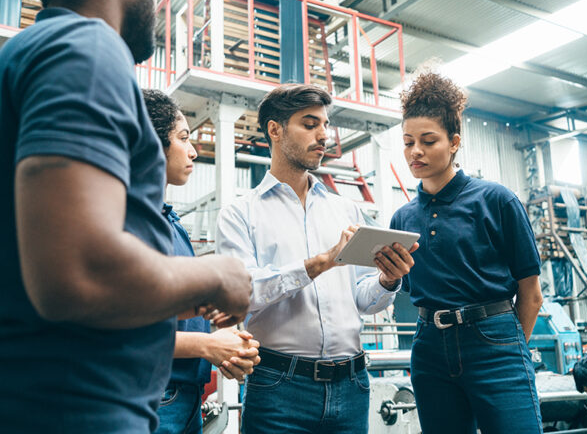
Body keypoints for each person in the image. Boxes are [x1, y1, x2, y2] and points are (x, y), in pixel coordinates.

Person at [0, 0, 252, 432]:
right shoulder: (87, 48)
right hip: (79, 407)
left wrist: (188, 298)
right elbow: (78, 272)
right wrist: (217, 275)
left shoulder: (27, 53)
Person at [216, 83, 417, 433]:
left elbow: (362, 300)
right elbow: (242, 295)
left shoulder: (345, 208)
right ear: (275, 130)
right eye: (310, 125)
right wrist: (319, 263)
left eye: (325, 125)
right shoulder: (239, 214)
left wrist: (387, 281)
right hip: (279, 388)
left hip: (351, 385)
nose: (323, 135)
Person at [390, 70, 544, 434]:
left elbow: (532, 294)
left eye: (429, 141)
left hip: (495, 343)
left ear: (454, 141)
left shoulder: (496, 200)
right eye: (408, 141)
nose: (416, 151)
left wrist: (508, 349)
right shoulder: (402, 218)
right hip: (429, 349)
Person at [143, 89, 261, 434]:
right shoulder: (130, 224)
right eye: (182, 138)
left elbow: (162, 307)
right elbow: (124, 329)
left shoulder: (170, 221)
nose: (193, 151)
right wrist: (208, 345)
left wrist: (217, 329)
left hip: (184, 396)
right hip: (155, 396)